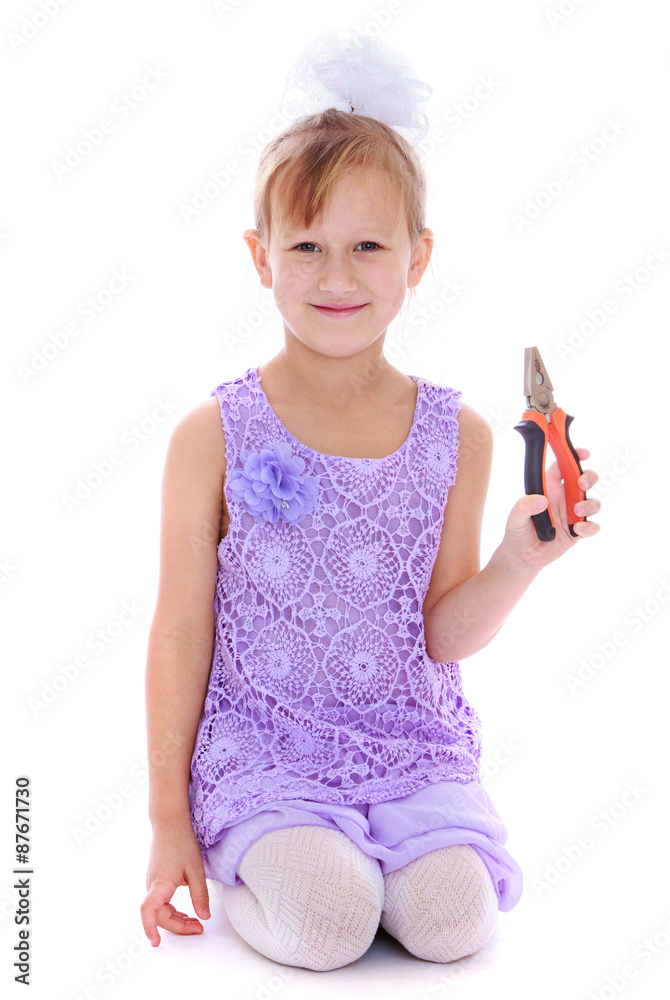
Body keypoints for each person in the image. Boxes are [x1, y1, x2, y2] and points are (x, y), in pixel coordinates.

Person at [140, 29, 601, 972]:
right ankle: (271, 858)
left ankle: (368, 856)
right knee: (328, 925)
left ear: (418, 257)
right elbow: (181, 632)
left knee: (454, 926)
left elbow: (441, 634)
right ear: (260, 256)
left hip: (408, 751)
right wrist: (165, 821)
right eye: (305, 245)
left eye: (367, 246)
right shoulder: (213, 436)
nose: (337, 276)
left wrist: (519, 559)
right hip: (267, 750)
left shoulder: (457, 436)